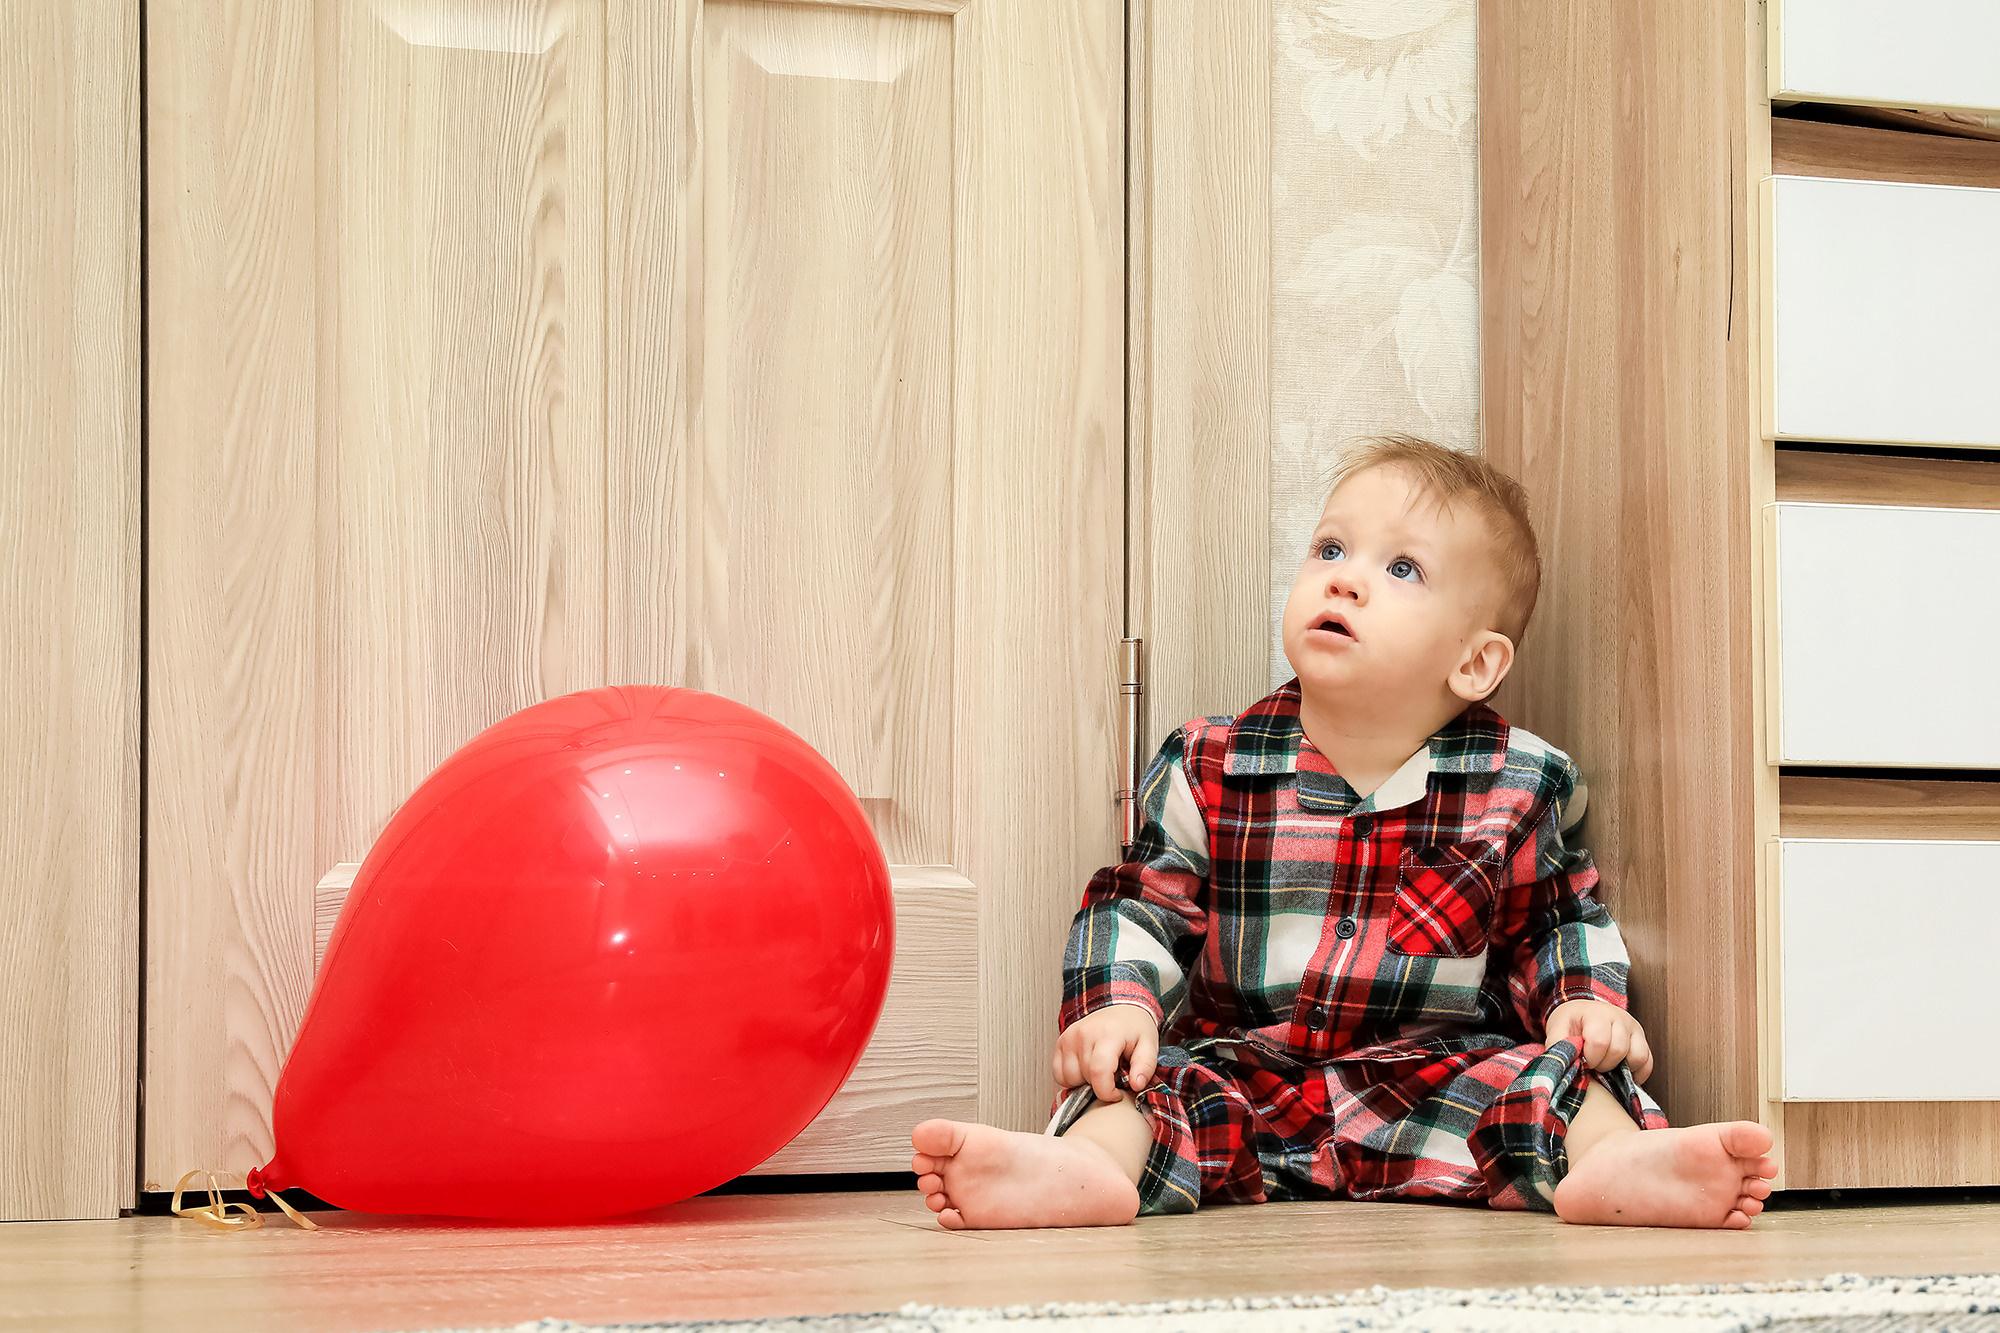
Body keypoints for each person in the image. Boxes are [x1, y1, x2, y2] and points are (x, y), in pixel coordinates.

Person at [910, 434, 1777, 1230]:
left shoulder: (1516, 785)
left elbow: (1553, 919)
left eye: (1401, 568)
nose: (1344, 579)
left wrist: (1583, 1001)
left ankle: (1617, 1164)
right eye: (1330, 549)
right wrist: (1117, 1006)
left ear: (1475, 661)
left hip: (1431, 1081)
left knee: (1555, 1076)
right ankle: (1087, 1171)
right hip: (1245, 1075)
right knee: (1140, 1083)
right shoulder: (1211, 763)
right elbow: (1139, 905)